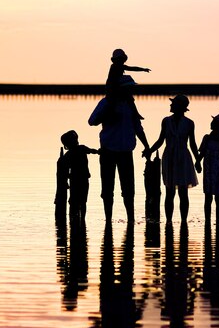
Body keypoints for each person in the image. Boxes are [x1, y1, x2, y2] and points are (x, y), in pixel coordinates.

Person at [89, 77, 150, 222]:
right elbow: (92, 121)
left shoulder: (130, 105)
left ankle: (130, 219)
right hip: (108, 151)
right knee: (107, 189)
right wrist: (108, 114)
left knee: (129, 190)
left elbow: (138, 127)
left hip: (126, 151)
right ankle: (108, 219)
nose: (131, 90)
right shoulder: (106, 103)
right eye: (128, 88)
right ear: (121, 88)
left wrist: (147, 146)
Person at [146, 95, 198, 222]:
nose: (170, 105)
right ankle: (169, 221)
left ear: (179, 107)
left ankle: (183, 221)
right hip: (169, 157)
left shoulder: (189, 123)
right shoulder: (166, 121)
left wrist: (198, 160)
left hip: (183, 158)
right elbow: (160, 140)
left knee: (183, 193)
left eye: (173, 104)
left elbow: (192, 144)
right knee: (169, 192)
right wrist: (150, 151)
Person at [195, 114, 219, 224]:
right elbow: (202, 154)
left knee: (218, 199)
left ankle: (218, 221)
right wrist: (197, 163)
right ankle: (208, 221)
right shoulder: (207, 139)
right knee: (208, 198)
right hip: (208, 173)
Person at [59, 130, 99, 221]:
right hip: (81, 180)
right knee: (80, 201)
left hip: (76, 180)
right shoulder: (80, 149)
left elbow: (64, 171)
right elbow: (92, 151)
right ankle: (81, 219)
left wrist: (65, 182)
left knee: (75, 201)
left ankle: (75, 219)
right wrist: (99, 152)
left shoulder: (69, 154)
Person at [106, 49, 150, 121]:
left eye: (122, 59)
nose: (121, 61)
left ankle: (135, 113)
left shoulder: (119, 66)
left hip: (117, 87)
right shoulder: (115, 66)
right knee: (122, 99)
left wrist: (143, 69)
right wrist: (143, 69)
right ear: (116, 60)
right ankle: (115, 114)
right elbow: (131, 68)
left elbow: (131, 68)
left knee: (129, 98)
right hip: (112, 88)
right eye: (119, 59)